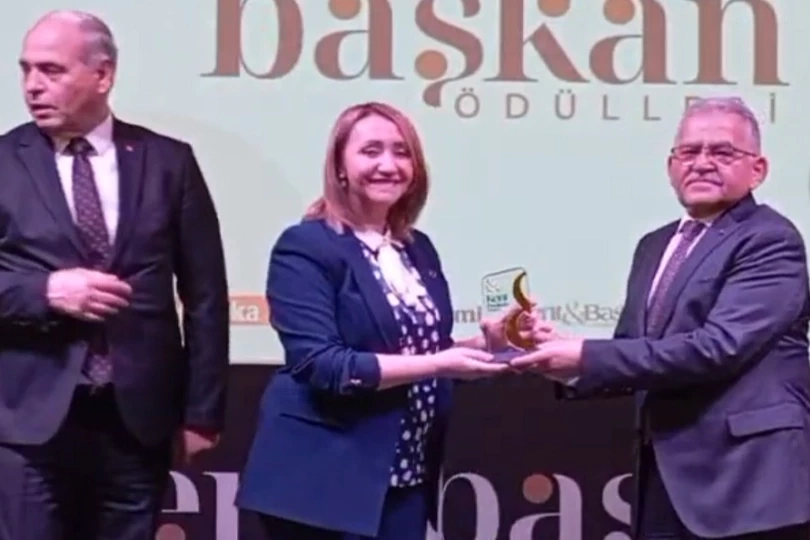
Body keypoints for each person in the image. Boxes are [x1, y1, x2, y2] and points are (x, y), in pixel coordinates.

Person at [235, 101, 543, 540]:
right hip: (319, 483)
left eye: (402, 152)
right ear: (339, 167)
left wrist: (487, 344)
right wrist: (440, 363)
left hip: (404, 480)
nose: (388, 164)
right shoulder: (305, 246)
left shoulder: (417, 248)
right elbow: (322, 365)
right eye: (370, 151)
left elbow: (420, 351)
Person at [511, 97, 810, 539]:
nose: (702, 163)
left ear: (758, 170)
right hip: (666, 480)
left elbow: (718, 348)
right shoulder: (654, 245)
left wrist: (584, 355)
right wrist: (559, 357)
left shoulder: (770, 239)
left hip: (748, 486)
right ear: (671, 166)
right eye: (689, 152)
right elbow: (634, 349)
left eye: (722, 152)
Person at [0, 10, 229, 540]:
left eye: (51, 70)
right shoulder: (4, 162)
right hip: (27, 421)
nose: (33, 86)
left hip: (136, 424)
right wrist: (45, 291)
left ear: (102, 75)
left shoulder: (169, 162)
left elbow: (206, 296)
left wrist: (202, 412)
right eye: (26, 69)